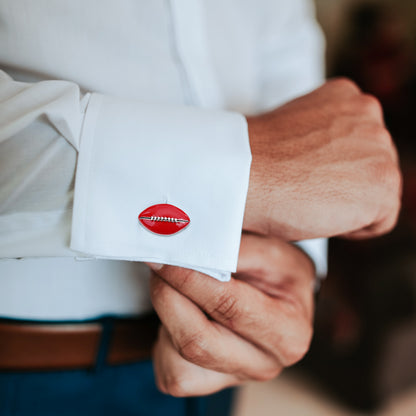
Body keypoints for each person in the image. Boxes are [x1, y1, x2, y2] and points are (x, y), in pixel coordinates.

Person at [0, 0, 401, 415]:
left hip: (226, 353)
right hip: (24, 370)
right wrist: (247, 169)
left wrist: (296, 254)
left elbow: (282, 38)